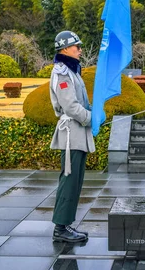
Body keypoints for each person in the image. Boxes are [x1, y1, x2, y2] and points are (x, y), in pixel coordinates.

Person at [49, 30, 95, 243]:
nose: (80, 50)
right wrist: (90, 117)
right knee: (69, 179)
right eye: (77, 47)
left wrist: (92, 112)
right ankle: (60, 228)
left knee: (75, 180)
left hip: (77, 132)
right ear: (66, 48)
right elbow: (70, 105)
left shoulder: (71, 70)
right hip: (71, 133)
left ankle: (65, 224)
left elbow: (80, 102)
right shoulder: (63, 72)